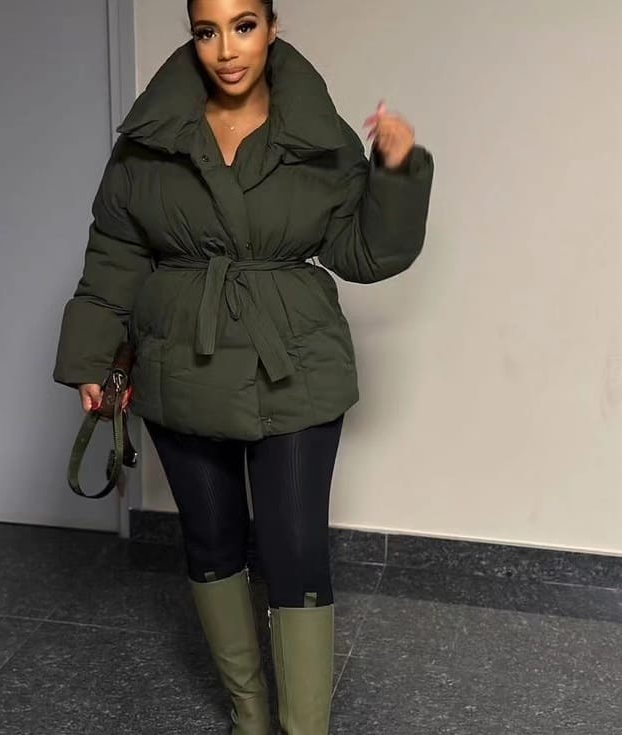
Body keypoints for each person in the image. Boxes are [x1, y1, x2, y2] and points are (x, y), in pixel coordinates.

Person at [53, 0, 434, 731]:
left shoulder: (316, 135)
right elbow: (115, 255)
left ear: (272, 27)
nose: (226, 49)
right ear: (192, 35)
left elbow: (364, 253)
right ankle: (249, 713)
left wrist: (394, 170)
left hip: (294, 359)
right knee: (211, 539)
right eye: (207, 30)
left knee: (295, 549)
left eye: (244, 26)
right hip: (179, 357)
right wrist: (90, 358)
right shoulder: (149, 140)